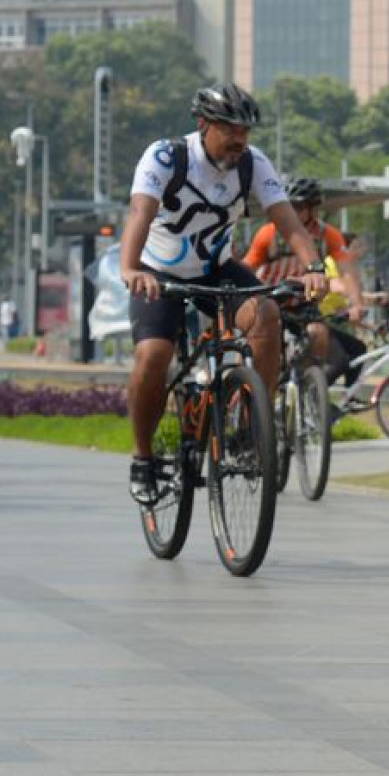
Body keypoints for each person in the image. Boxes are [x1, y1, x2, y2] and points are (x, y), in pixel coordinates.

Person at [119, 84, 328, 504]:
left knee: (266, 315)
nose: (239, 140)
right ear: (203, 124)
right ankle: (143, 458)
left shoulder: (253, 164)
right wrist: (131, 267)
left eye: (245, 132)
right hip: (159, 274)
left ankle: (253, 428)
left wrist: (314, 266)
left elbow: (287, 221)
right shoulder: (166, 157)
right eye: (230, 129)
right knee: (153, 356)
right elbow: (140, 213)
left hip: (215, 269)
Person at [240, 173, 369, 385]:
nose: (293, 213)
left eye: (299, 208)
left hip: (303, 301)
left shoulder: (328, 235)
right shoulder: (268, 234)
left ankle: (307, 388)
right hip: (271, 299)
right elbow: (248, 267)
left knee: (318, 333)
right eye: (289, 207)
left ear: (313, 209)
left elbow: (346, 270)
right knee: (261, 344)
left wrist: (357, 304)